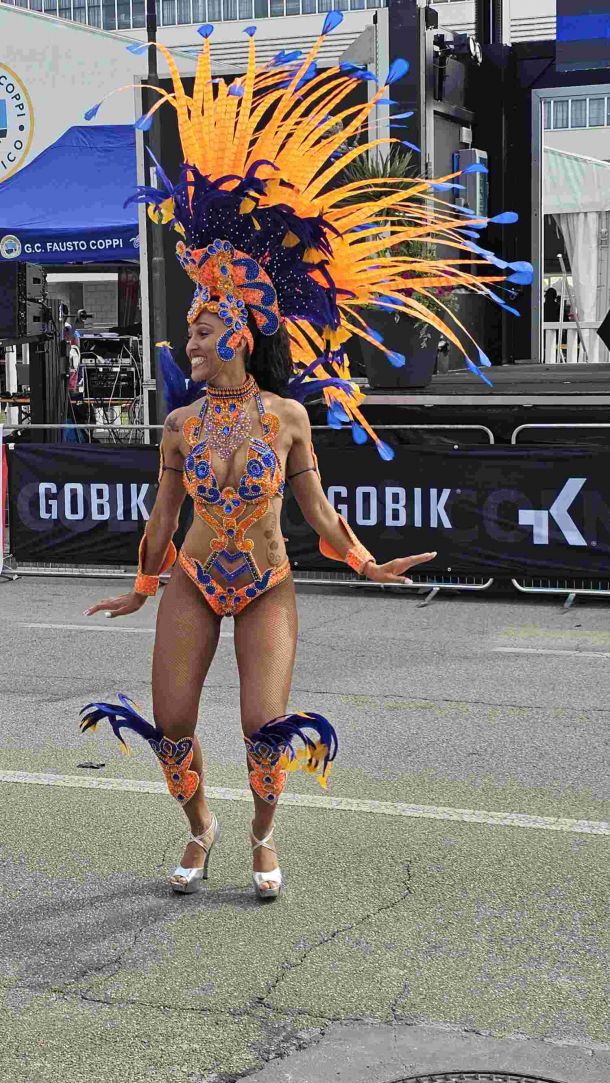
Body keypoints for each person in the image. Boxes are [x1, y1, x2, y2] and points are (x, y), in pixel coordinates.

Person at [79, 12, 526, 900]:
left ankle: (260, 832)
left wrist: (365, 561)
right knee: (172, 722)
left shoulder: (287, 417)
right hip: (194, 579)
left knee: (263, 725)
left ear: (242, 332)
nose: (189, 339)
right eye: (191, 328)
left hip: (267, 581)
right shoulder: (179, 424)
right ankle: (200, 826)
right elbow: (162, 518)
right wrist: (141, 584)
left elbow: (316, 514)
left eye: (203, 327)